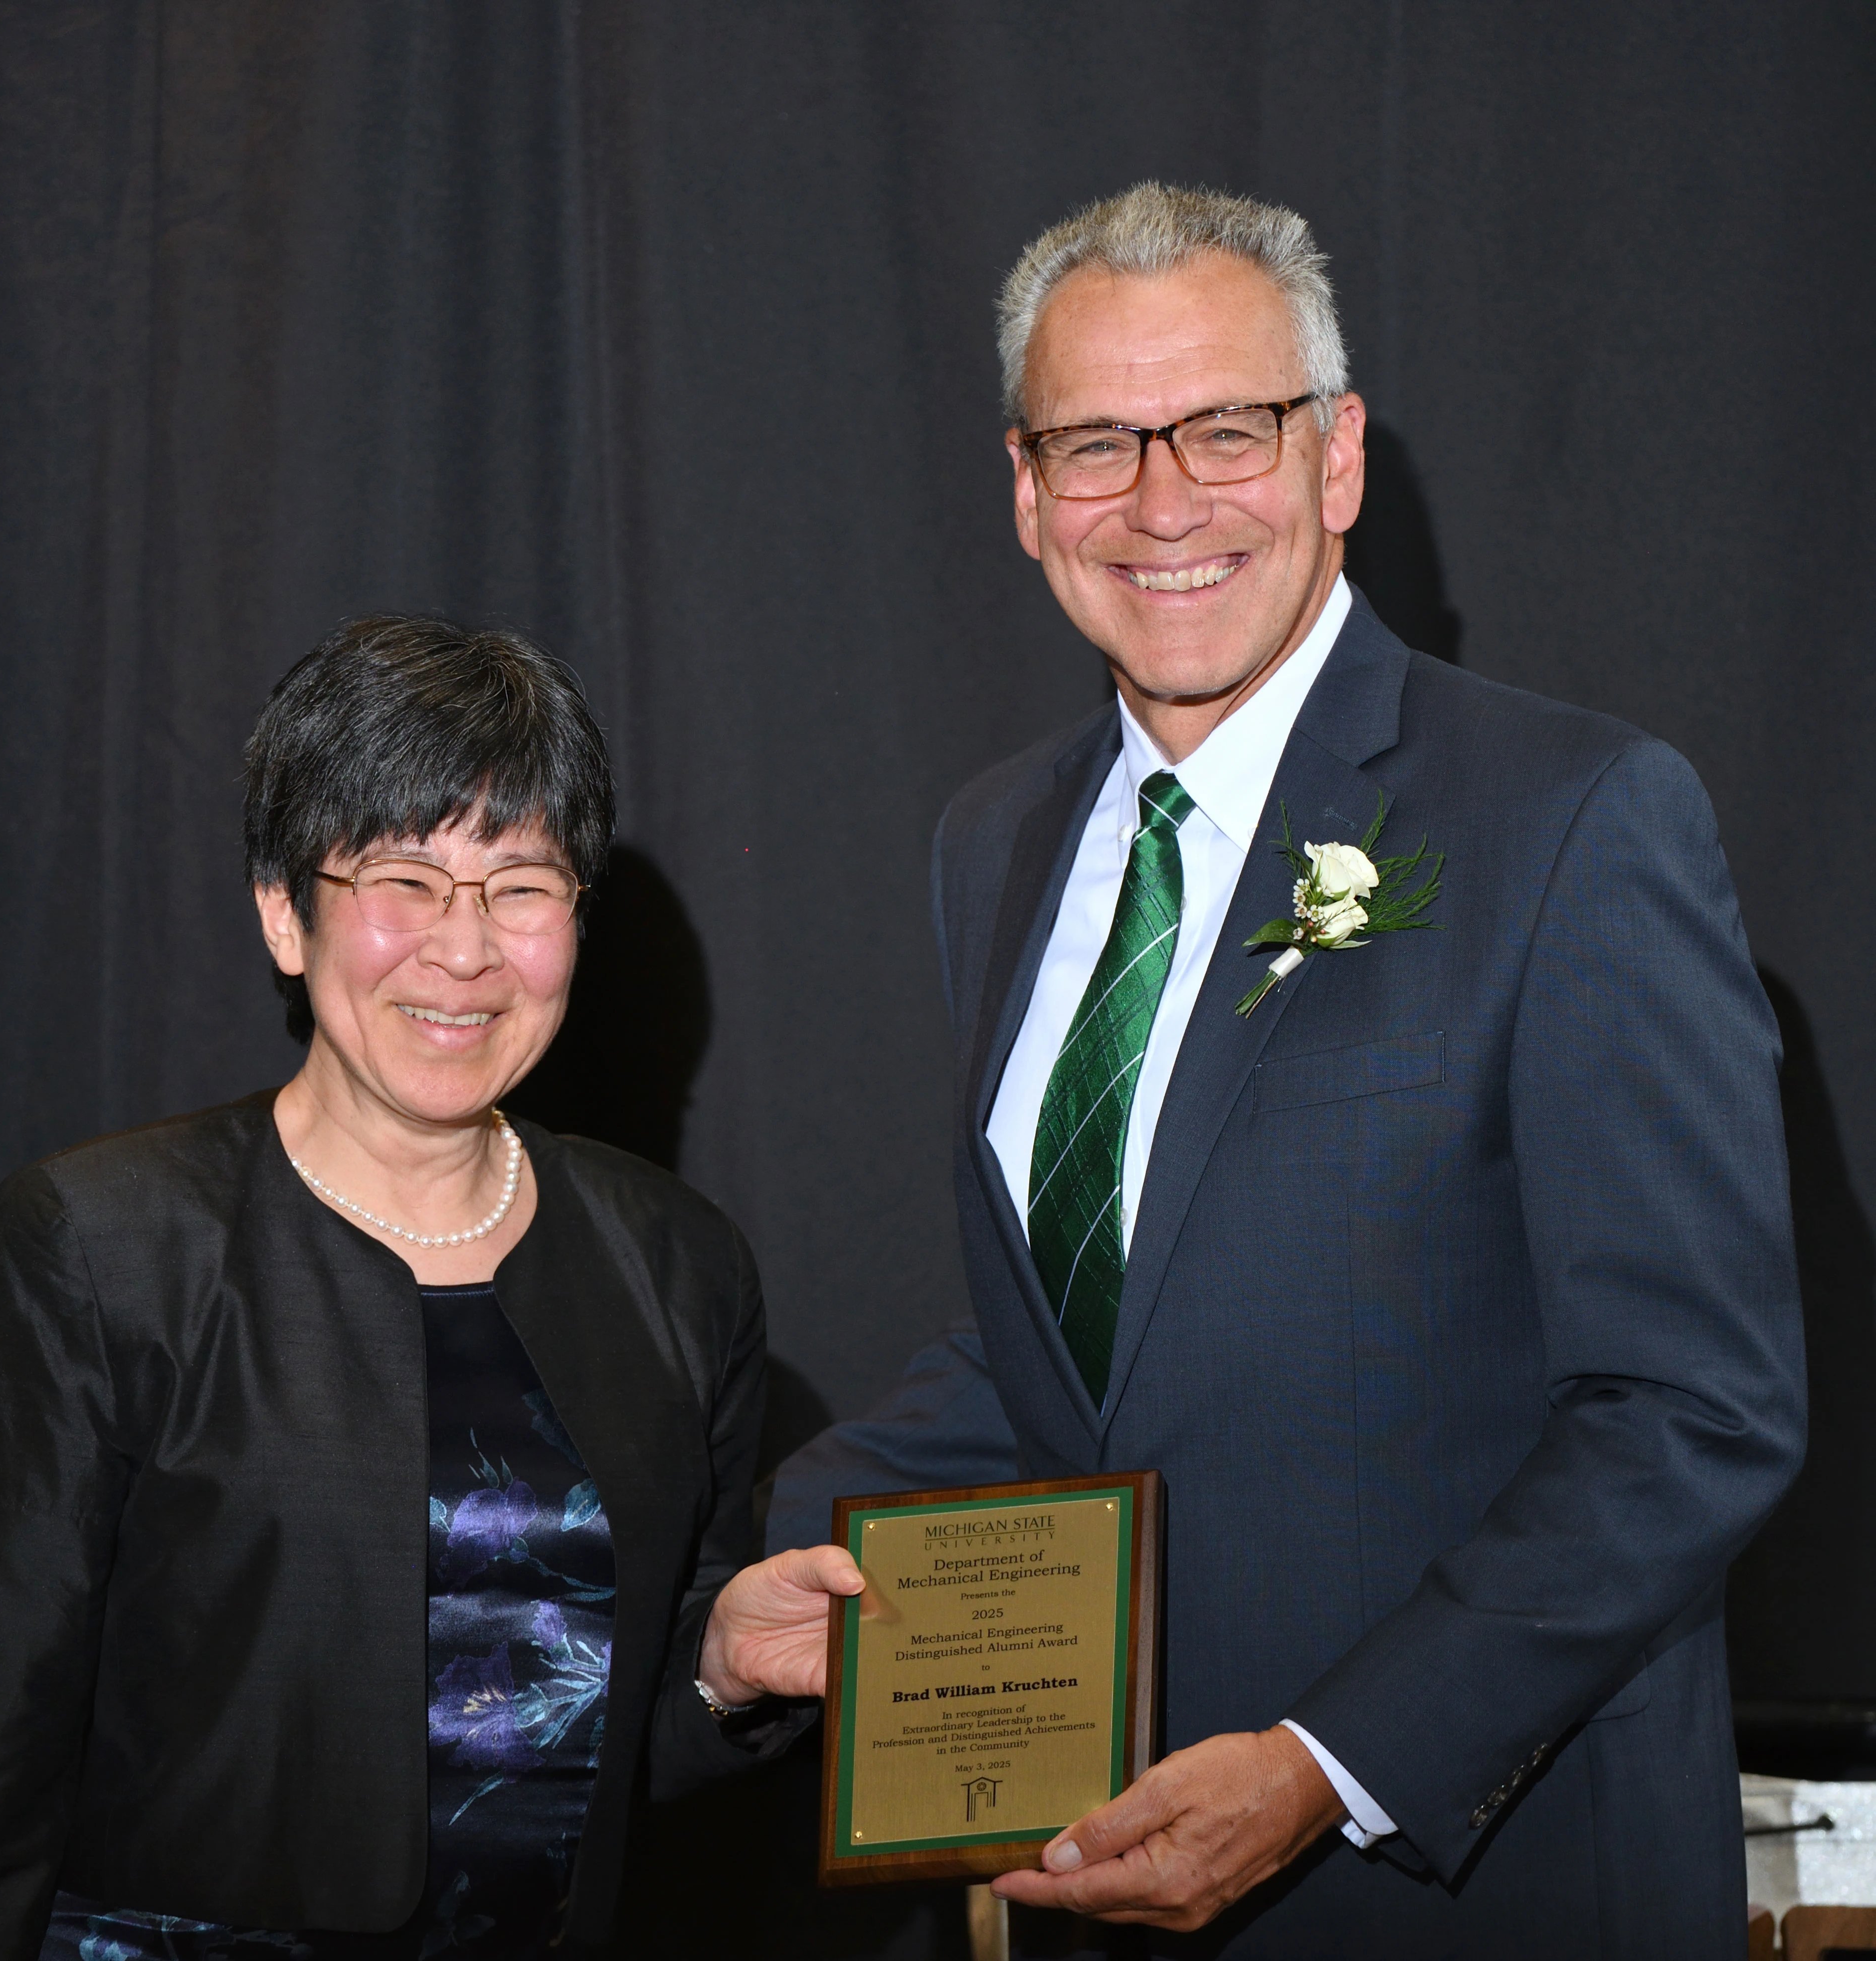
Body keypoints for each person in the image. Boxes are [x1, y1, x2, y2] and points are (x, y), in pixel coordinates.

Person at [767, 182, 1805, 1956]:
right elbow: (1096, 1337)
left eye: (1225, 431)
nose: (1163, 503)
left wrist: (1330, 1764)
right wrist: (781, 1551)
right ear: (1027, 494)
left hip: (1484, 1888)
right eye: (1097, 444)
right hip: (1110, 1874)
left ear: (1337, 459)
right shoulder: (992, 842)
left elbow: (1693, 1410)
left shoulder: (1576, 819)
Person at [0, 617, 861, 1960]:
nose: (464, 951)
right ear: (283, 915)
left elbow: (619, 1768)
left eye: (521, 885)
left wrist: (719, 1672)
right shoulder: (102, 1243)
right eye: (403, 882)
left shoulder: (675, 1263)